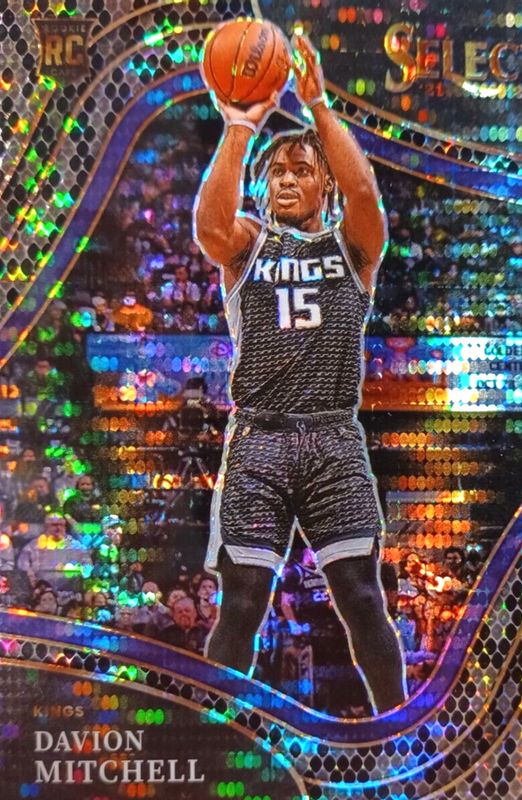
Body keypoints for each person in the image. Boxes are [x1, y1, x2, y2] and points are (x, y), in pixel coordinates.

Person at [193, 34, 406, 713]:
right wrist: (239, 126)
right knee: (241, 603)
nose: (285, 180)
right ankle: (218, 735)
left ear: (323, 186)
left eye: (300, 170)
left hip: (333, 440)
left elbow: (365, 190)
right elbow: (207, 226)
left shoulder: (352, 246)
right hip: (258, 440)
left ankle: (400, 734)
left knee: (362, 599)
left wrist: (316, 105)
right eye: (276, 173)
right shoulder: (246, 245)